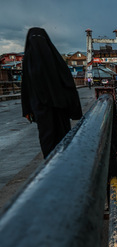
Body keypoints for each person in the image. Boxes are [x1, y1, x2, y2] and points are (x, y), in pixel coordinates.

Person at [21, 27, 83, 159]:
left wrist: (27, 109)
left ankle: (51, 167)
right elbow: (68, 84)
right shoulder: (55, 58)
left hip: (41, 107)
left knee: (47, 138)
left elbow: (25, 86)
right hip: (59, 104)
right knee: (62, 137)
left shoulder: (29, 59)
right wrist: (75, 110)